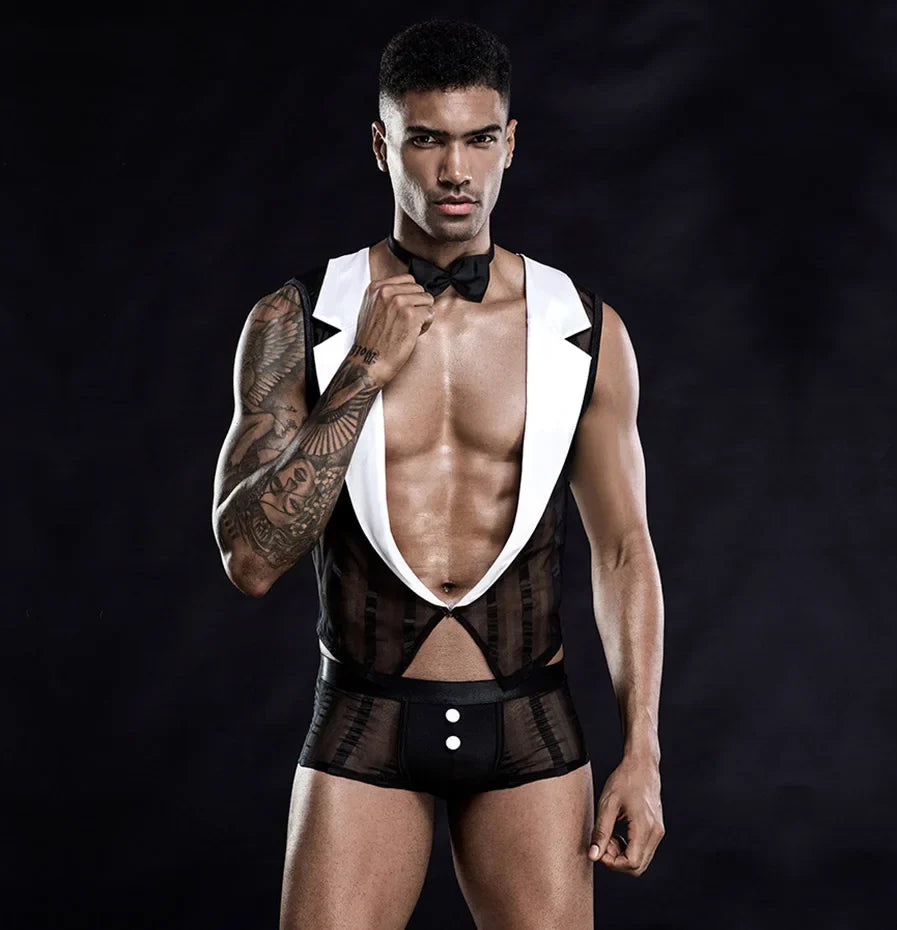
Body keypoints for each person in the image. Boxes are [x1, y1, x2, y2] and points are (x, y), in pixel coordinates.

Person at [212, 18, 665, 930]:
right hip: (366, 717)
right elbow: (249, 561)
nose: (456, 170)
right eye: (426, 139)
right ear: (384, 146)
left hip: (529, 724)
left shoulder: (582, 328)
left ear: (510, 143)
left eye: (478, 139)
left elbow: (623, 551)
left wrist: (643, 751)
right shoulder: (299, 319)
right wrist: (361, 372)